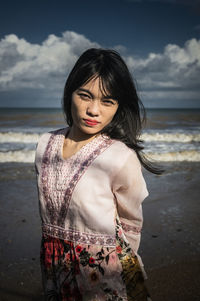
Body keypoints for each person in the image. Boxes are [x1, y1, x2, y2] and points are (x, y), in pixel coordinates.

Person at [35, 48, 160, 301]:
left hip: (104, 271)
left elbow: (131, 223)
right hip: (54, 262)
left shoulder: (120, 156)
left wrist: (122, 269)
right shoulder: (44, 144)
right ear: (70, 92)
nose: (94, 110)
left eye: (107, 101)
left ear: (118, 106)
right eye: (85, 96)